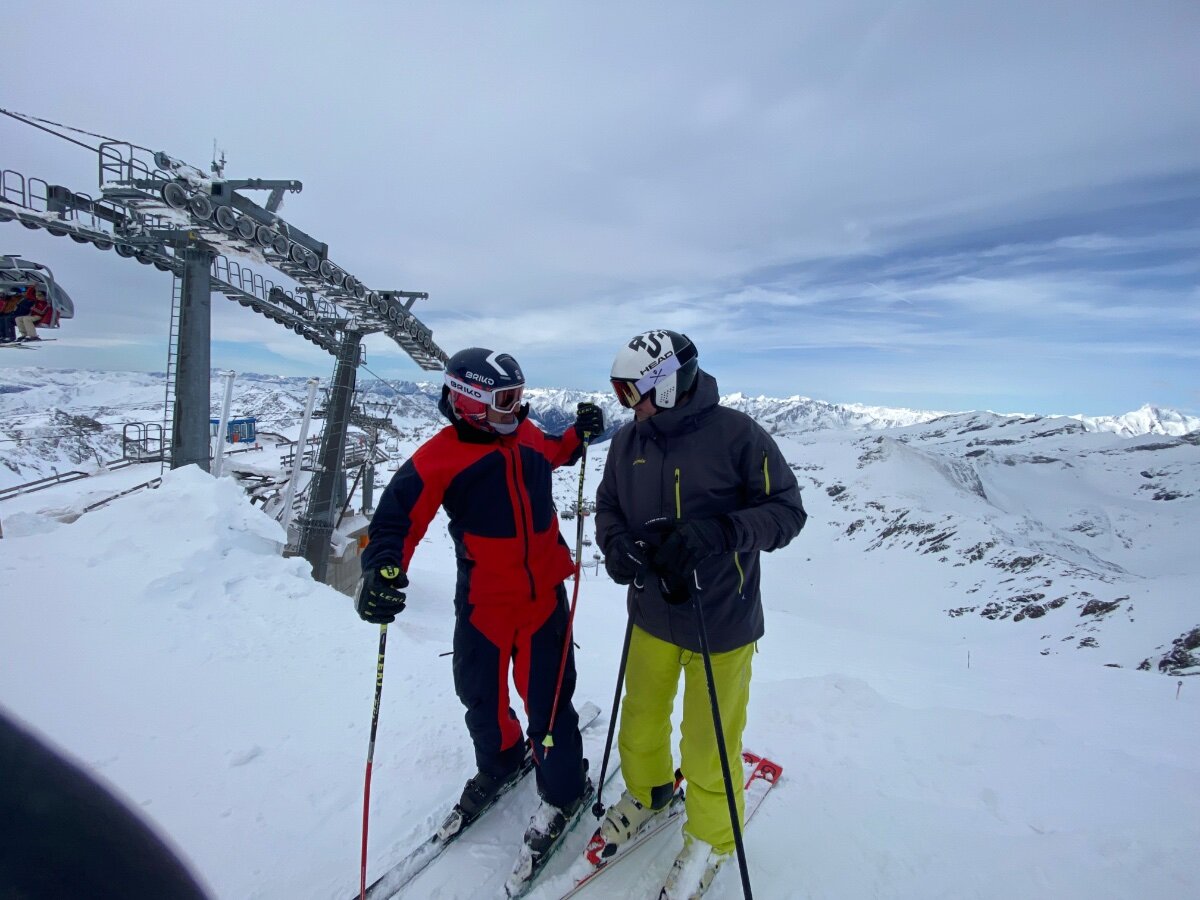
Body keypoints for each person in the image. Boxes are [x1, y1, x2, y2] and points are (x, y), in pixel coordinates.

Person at [356, 347, 605, 872]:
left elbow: (556, 450)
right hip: (483, 601)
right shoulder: (441, 456)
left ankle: (564, 791)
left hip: (542, 601)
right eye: (505, 399)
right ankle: (503, 758)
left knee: (548, 704)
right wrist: (381, 570)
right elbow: (396, 520)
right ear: (469, 402)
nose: (518, 409)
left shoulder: (526, 435)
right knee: (479, 695)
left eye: (520, 397)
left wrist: (579, 435)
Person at [594, 329, 806, 899]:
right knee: (640, 720)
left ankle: (712, 838)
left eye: (631, 392)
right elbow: (609, 506)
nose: (626, 405)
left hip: (722, 620)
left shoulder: (738, 437)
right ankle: (650, 792)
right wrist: (616, 545)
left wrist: (720, 533)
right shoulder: (628, 441)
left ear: (666, 385)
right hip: (651, 613)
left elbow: (787, 512)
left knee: (709, 744)